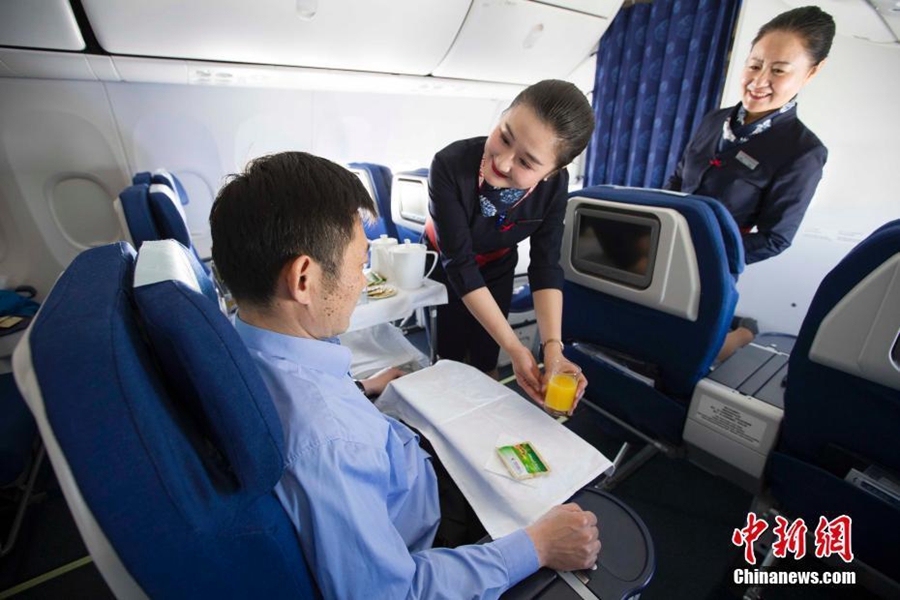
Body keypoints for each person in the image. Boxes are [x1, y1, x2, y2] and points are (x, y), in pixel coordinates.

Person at [209, 151, 601, 600]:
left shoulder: (246, 342)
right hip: (431, 519)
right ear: (303, 279)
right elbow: (391, 593)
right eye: (359, 264)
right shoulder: (331, 443)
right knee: (565, 490)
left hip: (399, 461)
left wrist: (361, 390)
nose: (361, 281)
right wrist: (538, 546)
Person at [665, 5, 835, 360]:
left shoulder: (803, 151)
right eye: (755, 65)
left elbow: (776, 238)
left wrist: (709, 252)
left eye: (778, 71)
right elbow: (679, 179)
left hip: (714, 264)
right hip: (664, 250)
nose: (759, 81)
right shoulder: (714, 120)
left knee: (688, 355)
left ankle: (744, 332)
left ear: (811, 73)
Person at [427, 79, 594, 407]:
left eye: (527, 163)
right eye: (504, 137)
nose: (502, 162)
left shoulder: (554, 187)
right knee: (449, 357)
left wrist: (552, 349)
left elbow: (545, 264)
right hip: (446, 264)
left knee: (487, 357)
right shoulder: (449, 164)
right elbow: (459, 263)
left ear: (552, 172)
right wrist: (518, 349)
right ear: (501, 116)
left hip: (499, 263)